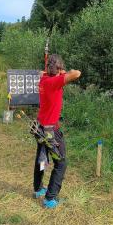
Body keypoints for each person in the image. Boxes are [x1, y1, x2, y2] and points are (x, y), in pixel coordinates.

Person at [33, 54, 81, 208]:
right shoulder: (54, 81)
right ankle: (50, 198)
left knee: (42, 158)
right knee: (61, 163)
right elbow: (77, 73)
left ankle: (38, 189)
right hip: (50, 131)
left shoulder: (44, 79)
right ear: (59, 69)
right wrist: (63, 73)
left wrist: (56, 72)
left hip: (39, 127)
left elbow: (42, 73)